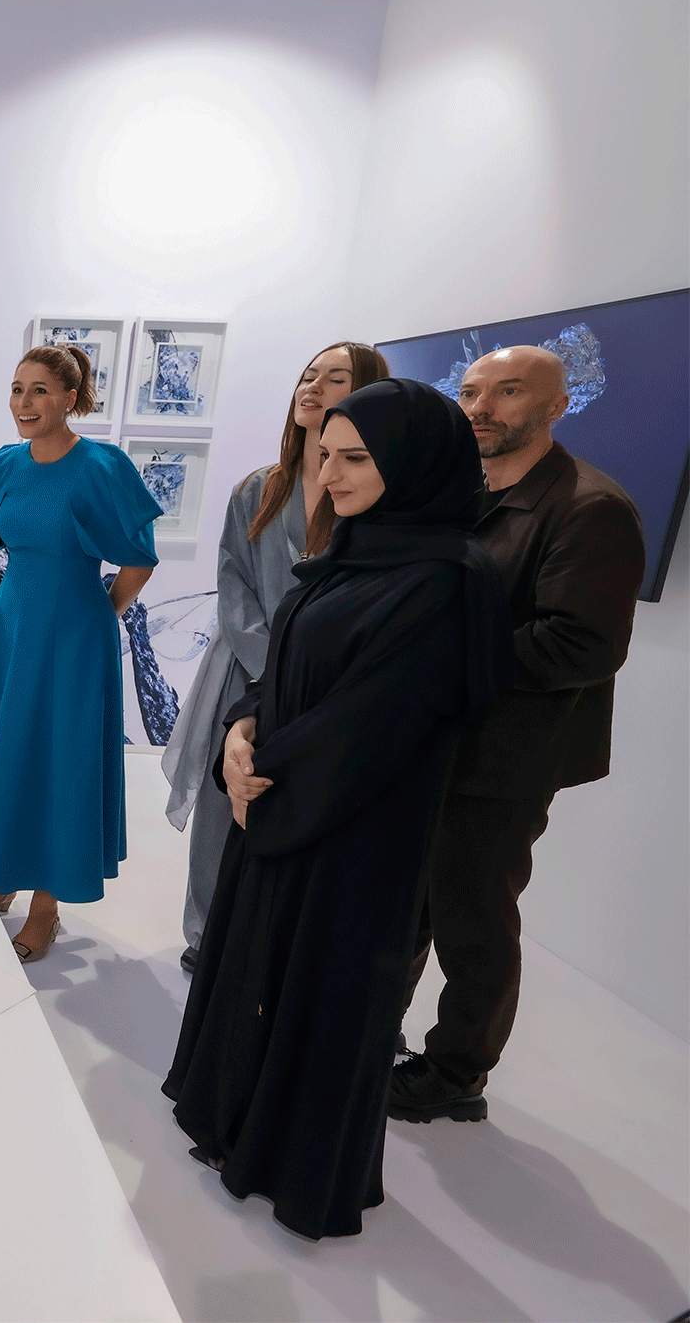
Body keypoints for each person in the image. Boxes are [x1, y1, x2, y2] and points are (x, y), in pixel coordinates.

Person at [163, 378, 514, 1240]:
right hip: (286, 802)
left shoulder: (447, 580)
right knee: (262, 971)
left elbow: (372, 723)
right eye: (325, 455)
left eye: (355, 458)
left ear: (412, 464)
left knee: (321, 991)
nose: (330, 474)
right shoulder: (353, 552)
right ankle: (236, 1126)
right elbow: (290, 670)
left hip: (353, 833)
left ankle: (292, 1165)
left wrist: (262, 775)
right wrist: (241, 732)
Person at [390, 346, 644, 1123]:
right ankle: (372, 1031)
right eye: (470, 391)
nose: (480, 407)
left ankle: (456, 1074)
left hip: (505, 757)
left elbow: (582, 645)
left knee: (472, 918)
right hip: (435, 741)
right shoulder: (465, 493)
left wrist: (442, 654)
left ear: (557, 405)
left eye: (506, 392)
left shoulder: (591, 507)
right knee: (408, 902)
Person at [161, 343, 390, 975]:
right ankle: (207, 936)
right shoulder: (259, 488)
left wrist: (305, 673)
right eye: (307, 376)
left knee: (292, 806)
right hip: (246, 672)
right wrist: (274, 667)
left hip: (327, 686)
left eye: (335, 379)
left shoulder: (374, 496)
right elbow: (233, 580)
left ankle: (271, 949)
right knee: (222, 807)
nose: (312, 388)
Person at [0, 345, 160, 963]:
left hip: (74, 638)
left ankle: (46, 906)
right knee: (9, 748)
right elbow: (12, 545)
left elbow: (139, 559)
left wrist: (101, 615)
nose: (24, 402)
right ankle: (2, 874)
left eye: (39, 390)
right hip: (11, 629)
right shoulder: (4, 466)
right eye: (17, 389)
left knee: (60, 758)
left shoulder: (102, 466)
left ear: (69, 398)